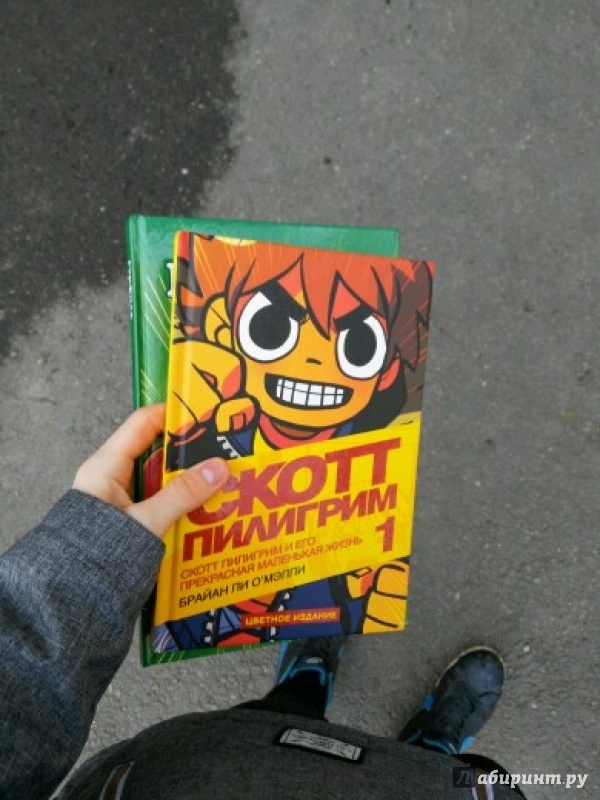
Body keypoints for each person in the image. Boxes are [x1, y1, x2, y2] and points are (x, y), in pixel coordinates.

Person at [0, 405, 525, 799]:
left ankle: (303, 682)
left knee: (276, 720)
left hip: (209, 766)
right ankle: (431, 751)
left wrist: (90, 553)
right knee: (439, 780)